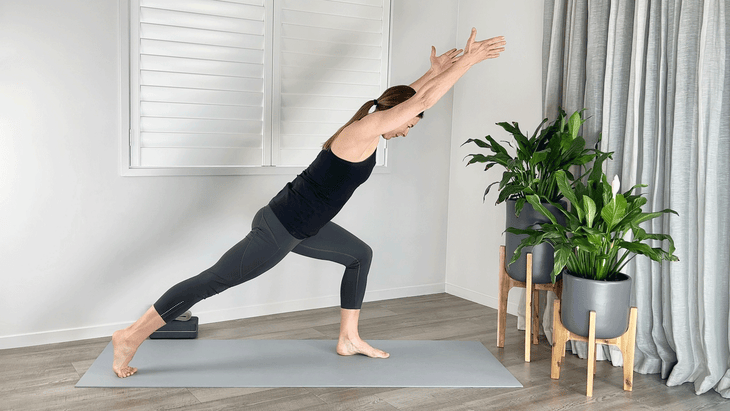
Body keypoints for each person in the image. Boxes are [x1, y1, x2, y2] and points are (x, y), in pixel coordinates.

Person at [112, 28, 506, 378]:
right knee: (213, 281)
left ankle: (348, 338)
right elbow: (419, 102)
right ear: (396, 117)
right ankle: (130, 336)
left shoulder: (373, 118)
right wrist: (468, 61)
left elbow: (408, 99)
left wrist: (435, 71)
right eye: (409, 124)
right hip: (281, 228)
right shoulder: (366, 129)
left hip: (303, 227)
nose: (406, 130)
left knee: (359, 255)